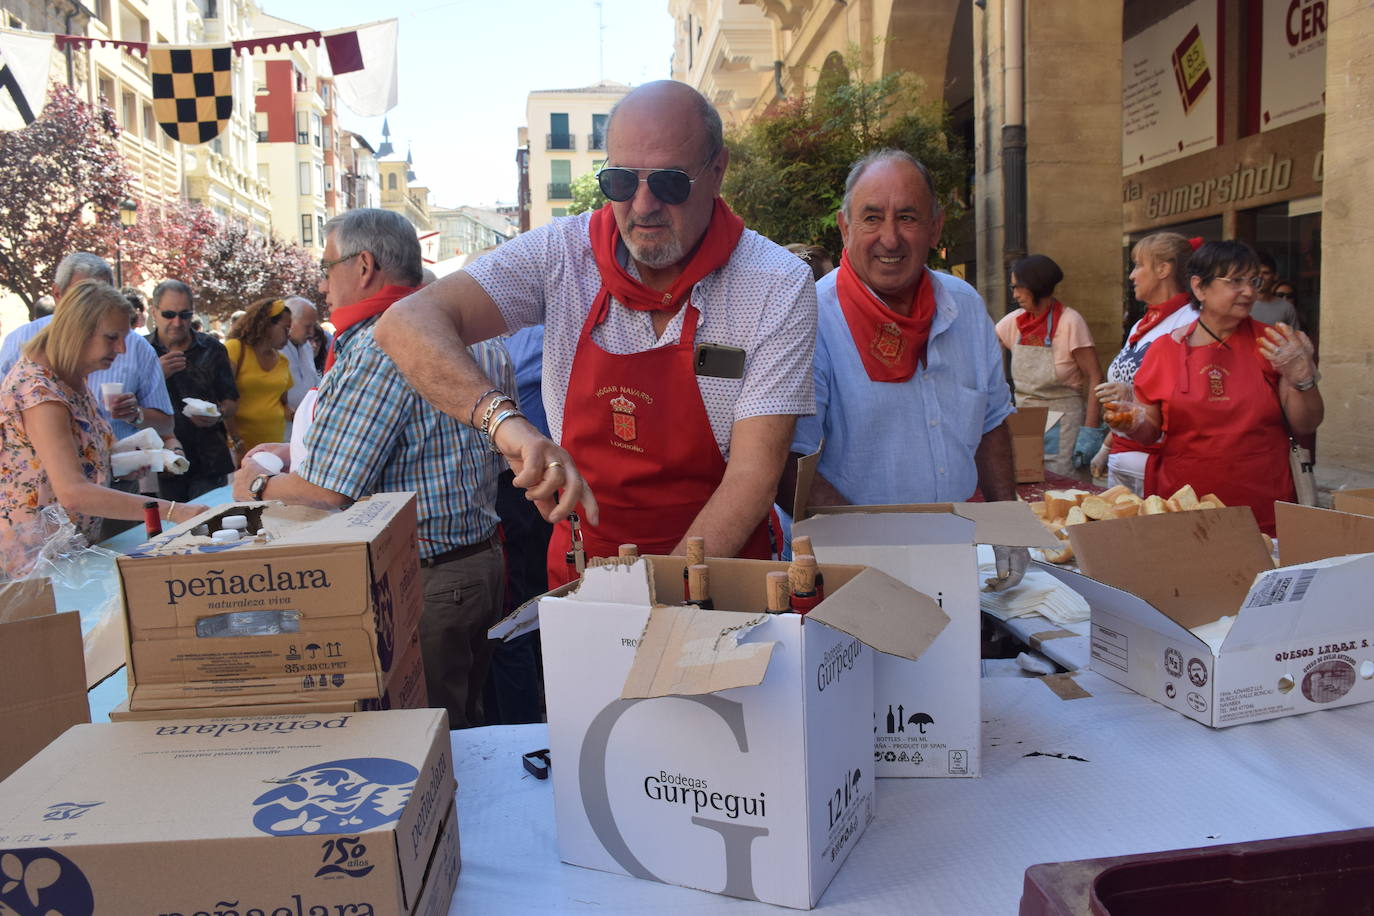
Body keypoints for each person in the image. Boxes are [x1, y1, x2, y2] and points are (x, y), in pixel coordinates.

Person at [373, 80, 816, 585]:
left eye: (669, 183)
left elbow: (753, 479)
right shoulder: (562, 254)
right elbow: (405, 323)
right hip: (587, 573)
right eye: (622, 182)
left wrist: (656, 598)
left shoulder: (774, 281)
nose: (643, 205)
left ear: (718, 171)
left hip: (722, 579)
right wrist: (505, 423)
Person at [231, 208, 511, 730]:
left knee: (428, 742)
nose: (321, 283)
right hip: (478, 563)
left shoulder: (386, 342)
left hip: (427, 580)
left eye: (327, 266)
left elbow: (327, 491)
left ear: (364, 266)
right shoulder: (473, 334)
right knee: (469, 727)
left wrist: (258, 483)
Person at [782, 149, 1027, 590]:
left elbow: (991, 421)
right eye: (872, 217)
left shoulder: (966, 306)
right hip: (846, 571)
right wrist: (884, 551)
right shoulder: (811, 317)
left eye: (908, 218)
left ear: (935, 227)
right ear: (845, 226)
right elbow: (790, 466)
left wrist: (1005, 518)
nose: (890, 239)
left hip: (955, 557)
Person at [1106, 240, 1323, 535]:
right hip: (1184, 503)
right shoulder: (1164, 350)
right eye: (1235, 281)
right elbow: (1151, 431)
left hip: (1262, 505)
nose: (1248, 291)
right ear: (1199, 287)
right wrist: (1132, 420)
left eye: (1253, 281)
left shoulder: (1275, 343)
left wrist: (1302, 377)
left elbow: (1307, 422)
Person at [0, 282, 207, 577]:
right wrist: (175, 511)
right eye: (112, 337)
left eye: (123, 337)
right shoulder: (39, 392)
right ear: (76, 332)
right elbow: (73, 492)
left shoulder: (70, 377)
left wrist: (121, 462)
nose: (121, 349)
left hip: (67, 553)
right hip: (36, 565)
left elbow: (76, 457)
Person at [0, 253, 176, 450]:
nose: (121, 349)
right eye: (86, 299)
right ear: (58, 295)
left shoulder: (133, 350)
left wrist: (135, 415)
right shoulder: (40, 385)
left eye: (105, 296)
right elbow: (68, 479)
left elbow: (166, 425)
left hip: (117, 475)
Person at [1090, 233, 1199, 493]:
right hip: (1124, 457)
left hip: (1158, 463)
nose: (1132, 276)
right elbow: (1124, 394)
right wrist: (1107, 446)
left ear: (1163, 269)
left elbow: (1189, 396)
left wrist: (1133, 398)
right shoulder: (1142, 324)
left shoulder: (1190, 320)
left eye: (1138, 265)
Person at [994, 254, 1104, 478]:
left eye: (1018, 287)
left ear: (1036, 286)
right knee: (1027, 487)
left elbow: (1095, 377)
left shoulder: (1070, 322)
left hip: (1064, 422)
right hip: (1025, 419)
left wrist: (1090, 430)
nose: (1014, 295)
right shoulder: (1013, 322)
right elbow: (984, 359)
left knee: (1063, 488)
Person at [147, 280, 238, 501]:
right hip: (164, 461)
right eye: (169, 314)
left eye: (185, 314)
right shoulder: (143, 351)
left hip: (209, 460)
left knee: (208, 528)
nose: (177, 322)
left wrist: (215, 414)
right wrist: (155, 374)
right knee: (171, 530)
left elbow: (231, 401)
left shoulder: (212, 349)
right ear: (154, 312)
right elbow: (129, 404)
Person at [224, 299, 292, 455]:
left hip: (273, 448)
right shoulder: (235, 349)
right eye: (285, 328)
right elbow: (223, 399)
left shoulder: (283, 361)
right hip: (239, 447)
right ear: (266, 324)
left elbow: (283, 405)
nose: (289, 335)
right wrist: (236, 442)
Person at [280, 297, 321, 438]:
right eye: (307, 326)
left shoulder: (306, 346)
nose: (311, 332)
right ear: (289, 322)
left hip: (304, 428)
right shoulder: (274, 350)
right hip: (282, 430)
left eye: (313, 326)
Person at [1250, 250, 1301, 330]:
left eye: (1265, 273)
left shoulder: (1287, 308)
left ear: (1275, 276)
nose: (1260, 277)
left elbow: (1295, 338)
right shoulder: (1242, 304)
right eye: (1257, 273)